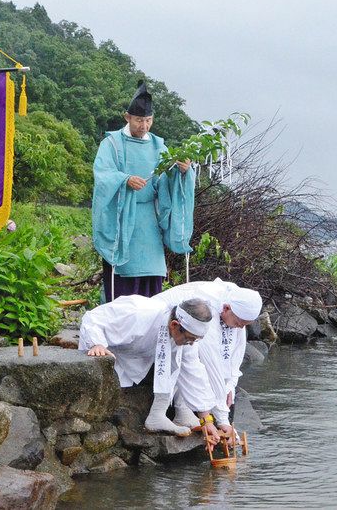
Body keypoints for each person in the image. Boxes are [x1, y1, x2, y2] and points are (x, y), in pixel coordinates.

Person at [91, 81, 195, 302]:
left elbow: (167, 182)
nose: (144, 126)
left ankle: (147, 332)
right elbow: (103, 175)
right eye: (139, 120)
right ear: (127, 117)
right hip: (121, 221)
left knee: (152, 281)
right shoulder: (112, 144)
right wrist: (125, 180)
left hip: (149, 223)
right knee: (122, 283)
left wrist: (183, 173)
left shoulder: (159, 147)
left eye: (148, 121)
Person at [79, 295, 221, 442]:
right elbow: (93, 318)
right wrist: (97, 343)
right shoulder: (139, 313)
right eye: (190, 339)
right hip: (107, 347)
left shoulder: (184, 336)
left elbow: (194, 372)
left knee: (180, 360)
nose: (191, 343)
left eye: (195, 340)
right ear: (174, 325)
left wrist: (207, 421)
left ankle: (159, 414)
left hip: (137, 356)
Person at [154, 279, 262, 434]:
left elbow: (235, 353)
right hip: (166, 331)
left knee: (192, 354)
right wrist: (223, 419)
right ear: (226, 308)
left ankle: (187, 411)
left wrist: (230, 385)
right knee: (192, 355)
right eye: (239, 323)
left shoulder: (237, 303)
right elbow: (211, 364)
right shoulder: (207, 307)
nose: (241, 328)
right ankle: (180, 409)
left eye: (245, 325)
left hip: (186, 335)